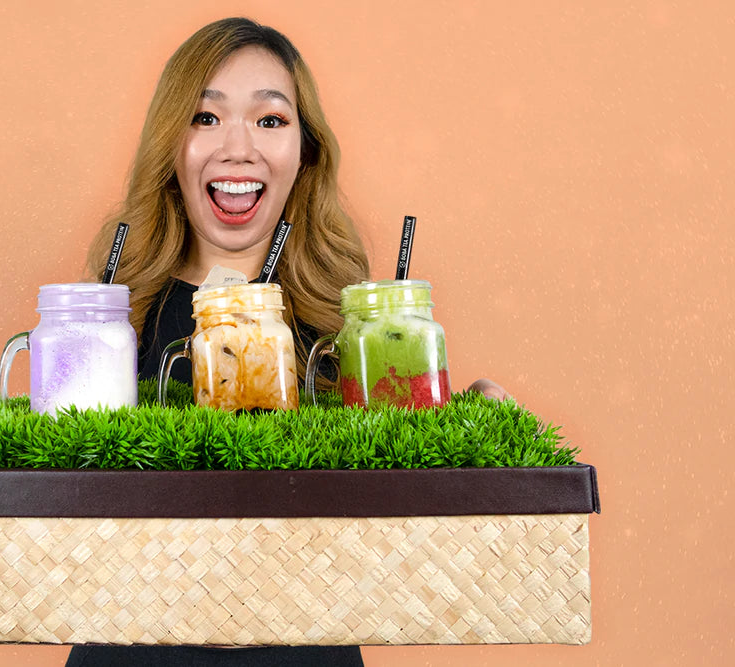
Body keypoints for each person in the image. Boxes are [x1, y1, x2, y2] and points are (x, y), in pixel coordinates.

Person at [66, 16, 508, 667]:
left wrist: (467, 433)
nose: (238, 147)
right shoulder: (112, 316)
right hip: (131, 652)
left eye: (270, 120)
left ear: (305, 152)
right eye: (205, 117)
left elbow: (401, 507)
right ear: (171, 147)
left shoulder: (348, 329)